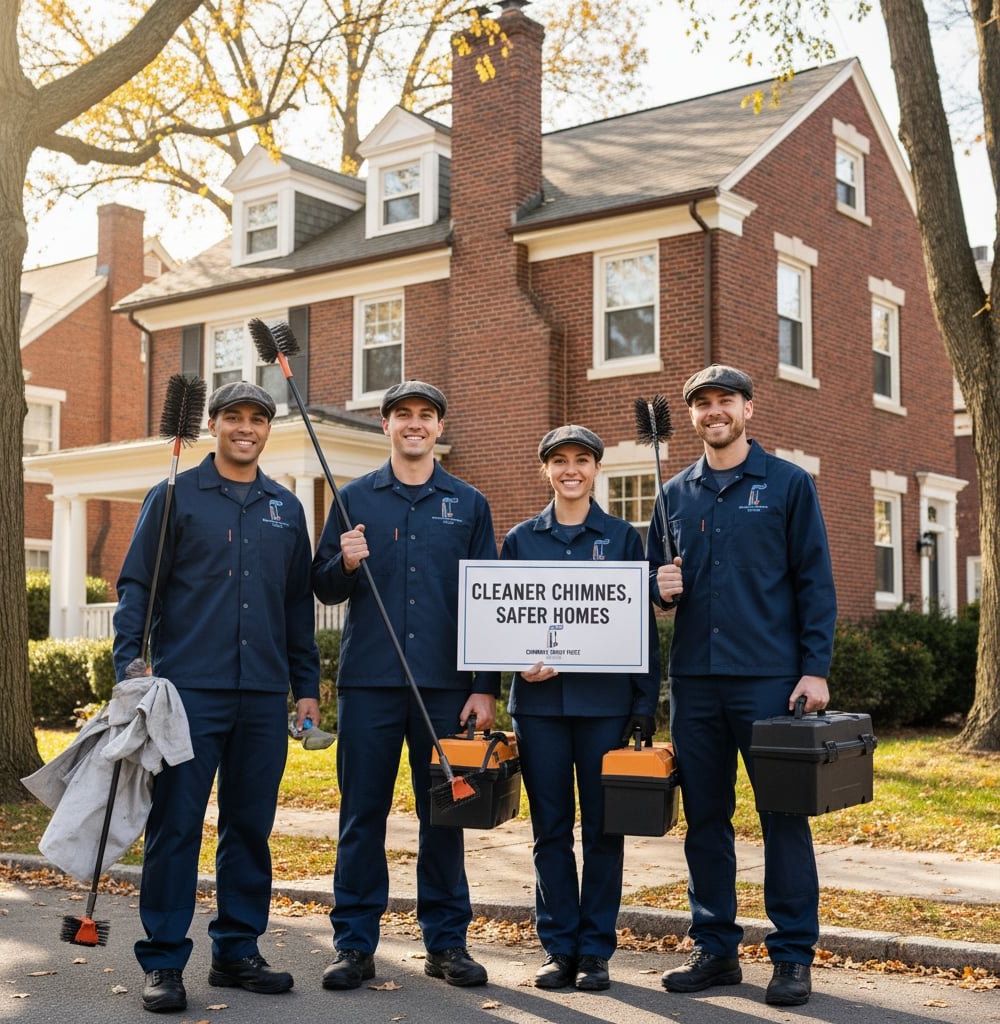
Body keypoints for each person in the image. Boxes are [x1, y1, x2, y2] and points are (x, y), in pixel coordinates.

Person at [112, 381, 320, 1014]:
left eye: (258, 418)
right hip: (186, 691)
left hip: (262, 692)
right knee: (175, 826)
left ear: (268, 429)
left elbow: (295, 607)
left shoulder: (286, 507)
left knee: (249, 828)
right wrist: (129, 662)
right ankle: (165, 959)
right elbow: (136, 585)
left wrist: (306, 688)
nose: (246, 427)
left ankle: (236, 951)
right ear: (213, 424)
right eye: (234, 417)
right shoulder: (174, 495)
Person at [650, 365, 837, 1007]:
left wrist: (815, 669)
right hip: (696, 684)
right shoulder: (671, 494)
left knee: (783, 816)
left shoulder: (787, 485)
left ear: (748, 409)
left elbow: (815, 581)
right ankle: (716, 950)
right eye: (701, 404)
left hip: (770, 682)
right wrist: (658, 591)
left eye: (724, 400)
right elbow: (653, 588)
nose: (713, 412)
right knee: (706, 820)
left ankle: (791, 956)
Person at [312, 380, 500, 991]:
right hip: (370, 683)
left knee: (444, 817)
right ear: (386, 425)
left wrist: (484, 686)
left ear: (439, 428)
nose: (414, 424)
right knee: (361, 815)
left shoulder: (469, 504)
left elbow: (489, 602)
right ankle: (354, 946)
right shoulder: (352, 499)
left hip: (446, 689)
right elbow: (323, 587)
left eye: (425, 415)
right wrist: (341, 561)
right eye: (402, 415)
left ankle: (446, 944)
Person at [501, 425, 661, 992]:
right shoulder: (520, 540)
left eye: (582, 461)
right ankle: (558, 948)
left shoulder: (622, 539)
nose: (571, 470)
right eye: (560, 461)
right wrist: (516, 661)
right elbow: (504, 619)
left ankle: (595, 951)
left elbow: (641, 627)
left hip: (605, 708)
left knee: (602, 830)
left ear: (597, 470)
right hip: (540, 707)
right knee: (549, 830)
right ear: (545, 469)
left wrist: (645, 702)